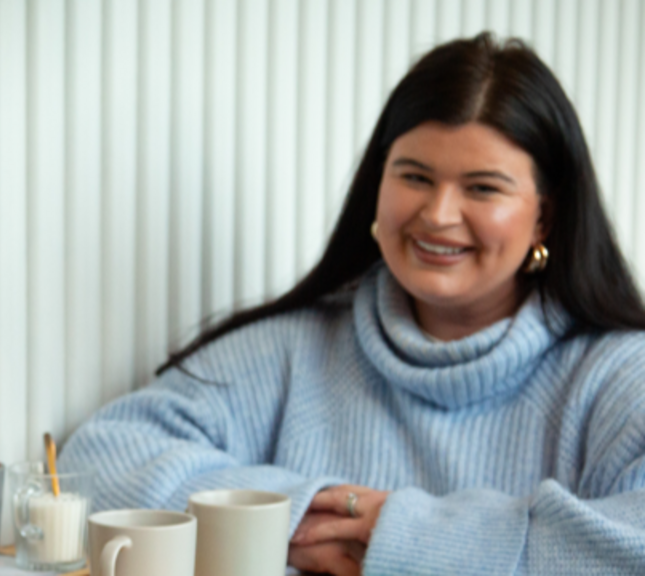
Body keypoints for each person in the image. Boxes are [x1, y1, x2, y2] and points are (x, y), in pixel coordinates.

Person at [59, 32, 645, 575]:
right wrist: (299, 513)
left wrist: (409, 537)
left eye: (483, 187)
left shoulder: (620, 374)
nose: (438, 214)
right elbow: (100, 458)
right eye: (414, 176)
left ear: (546, 213)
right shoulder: (294, 347)